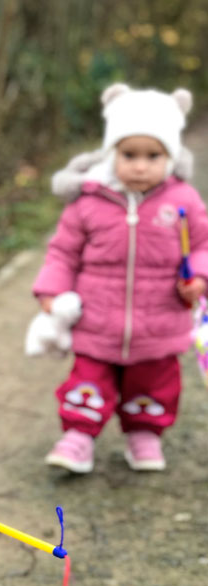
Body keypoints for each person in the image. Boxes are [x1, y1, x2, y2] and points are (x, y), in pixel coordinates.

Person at [32, 83, 208, 474]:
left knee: (154, 385)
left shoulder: (183, 201)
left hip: (160, 323)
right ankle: (79, 436)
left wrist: (198, 277)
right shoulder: (89, 203)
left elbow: (202, 246)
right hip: (97, 321)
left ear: (171, 156)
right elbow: (63, 251)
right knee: (88, 379)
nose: (140, 165)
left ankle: (144, 434)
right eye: (129, 154)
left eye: (153, 155)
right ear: (112, 152)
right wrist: (51, 289)